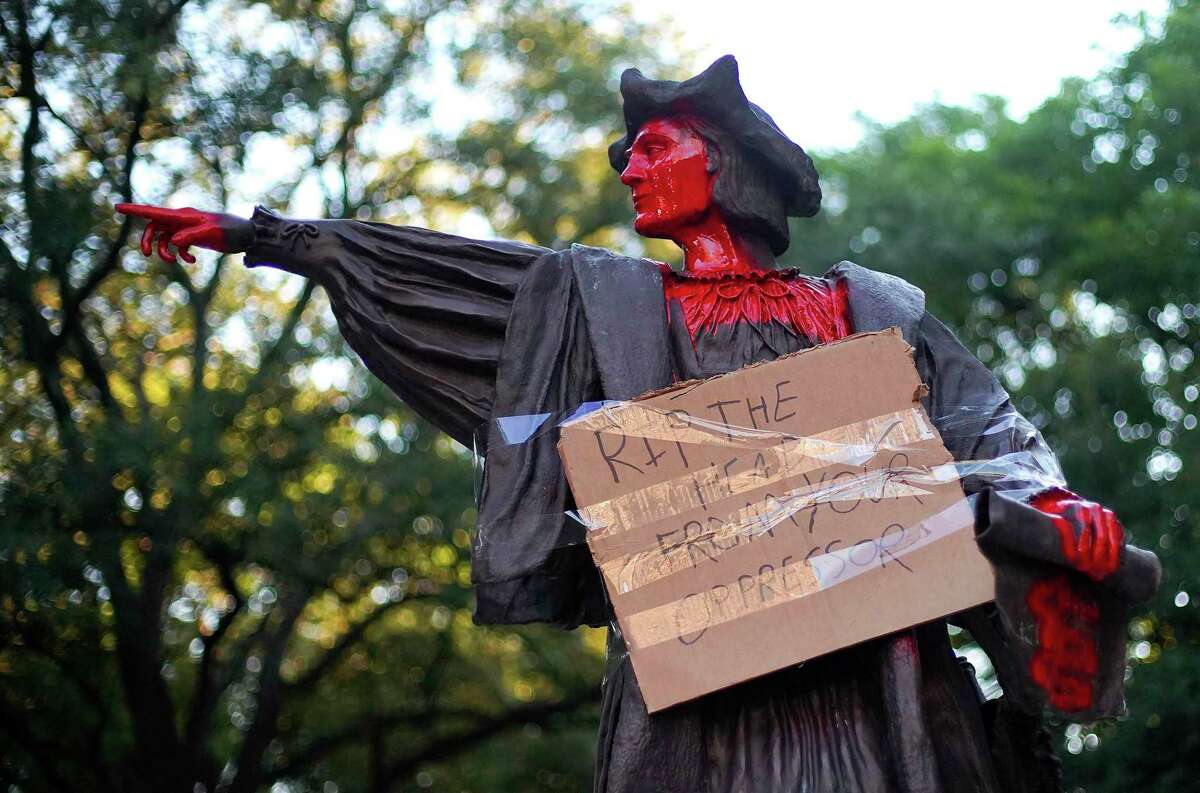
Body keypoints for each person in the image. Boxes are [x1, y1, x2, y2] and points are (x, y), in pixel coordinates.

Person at [119, 55, 1157, 793]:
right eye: (627, 149)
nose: (627, 166)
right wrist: (267, 236)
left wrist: (1056, 507)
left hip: (880, 689)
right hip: (700, 695)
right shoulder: (599, 303)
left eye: (652, 146)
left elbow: (993, 435)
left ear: (724, 162)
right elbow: (453, 280)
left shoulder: (873, 304)